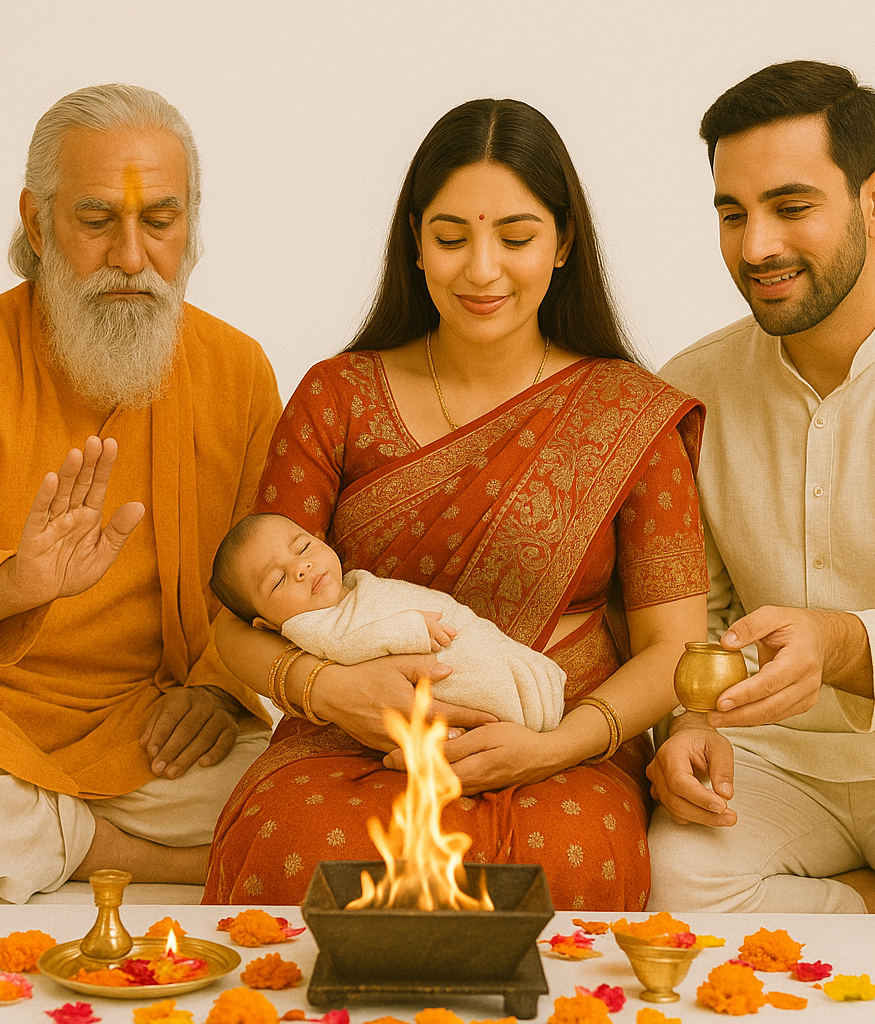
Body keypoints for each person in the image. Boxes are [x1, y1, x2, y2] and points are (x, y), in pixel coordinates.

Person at [204, 98, 708, 912]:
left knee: (565, 864)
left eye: (515, 238)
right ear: (415, 241)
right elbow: (239, 616)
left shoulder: (628, 412)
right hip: (351, 740)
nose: (481, 270)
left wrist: (555, 745)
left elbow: (673, 649)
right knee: (294, 846)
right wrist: (328, 693)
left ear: (563, 242)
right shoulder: (338, 396)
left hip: (562, 744)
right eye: (450, 238)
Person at [649, 61, 875, 917]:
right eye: (732, 214)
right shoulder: (691, 388)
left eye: (791, 207)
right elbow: (698, 618)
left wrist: (837, 643)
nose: (756, 246)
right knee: (669, 883)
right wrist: (690, 724)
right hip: (768, 756)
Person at [0, 84, 282, 904]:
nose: (132, 257)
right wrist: (14, 582)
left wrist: (219, 687)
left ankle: (15, 841)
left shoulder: (236, 371)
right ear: (37, 224)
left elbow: (272, 578)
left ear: (190, 223)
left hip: (147, 736)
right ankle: (108, 850)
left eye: (160, 220)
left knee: (317, 792)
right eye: (97, 220)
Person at [209, 512, 566, 731]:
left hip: (458, 634)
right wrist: (410, 630)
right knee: (489, 687)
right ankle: (523, 712)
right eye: (277, 581)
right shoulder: (309, 627)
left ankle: (535, 695)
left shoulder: (353, 583)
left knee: (508, 663)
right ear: (268, 626)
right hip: (435, 664)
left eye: (303, 548)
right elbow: (350, 644)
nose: (300, 568)